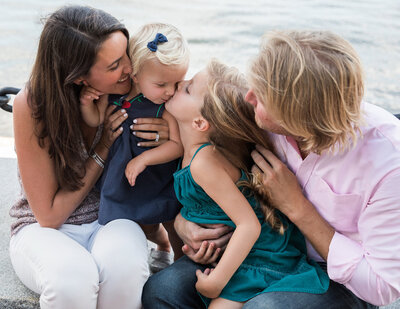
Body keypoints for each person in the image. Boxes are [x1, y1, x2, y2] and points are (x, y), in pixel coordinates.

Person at [143, 31, 400, 308]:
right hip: (260, 252)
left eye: (262, 96)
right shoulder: (263, 122)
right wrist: (186, 224)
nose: (250, 97)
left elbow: (381, 288)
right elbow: (215, 175)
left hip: (338, 277)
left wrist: (298, 208)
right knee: (162, 290)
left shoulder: (388, 164)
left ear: (298, 114)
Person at [9, 6, 171, 309]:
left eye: (126, 55)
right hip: (43, 229)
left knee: (125, 271)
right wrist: (103, 146)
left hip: (110, 216)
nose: (129, 69)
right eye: (114, 66)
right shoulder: (32, 105)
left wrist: (170, 132)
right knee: (73, 280)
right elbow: (49, 215)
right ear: (80, 77)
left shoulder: (139, 84)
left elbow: (195, 104)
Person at [150, 58, 329, 308]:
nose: (180, 83)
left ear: (200, 123)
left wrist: (217, 282)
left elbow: (249, 226)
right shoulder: (187, 146)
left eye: (188, 88)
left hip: (262, 258)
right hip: (236, 254)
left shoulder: (204, 162)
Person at [80, 23, 189, 263]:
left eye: (177, 83)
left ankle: (180, 262)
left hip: (158, 175)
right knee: (141, 223)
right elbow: (96, 119)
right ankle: (159, 244)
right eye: (162, 85)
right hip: (123, 175)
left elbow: (177, 145)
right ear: (135, 74)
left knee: (171, 219)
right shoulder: (114, 95)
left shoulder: (166, 106)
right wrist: (86, 104)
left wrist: (144, 159)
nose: (170, 91)